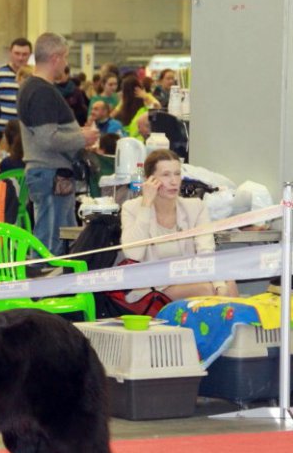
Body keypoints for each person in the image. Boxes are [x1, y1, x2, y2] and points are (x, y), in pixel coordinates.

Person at [17, 32, 98, 255]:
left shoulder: (33, 87)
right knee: (50, 243)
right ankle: (44, 278)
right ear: (56, 57)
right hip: (50, 174)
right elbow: (47, 138)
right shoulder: (41, 91)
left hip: (50, 174)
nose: (66, 63)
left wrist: (75, 133)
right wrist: (82, 138)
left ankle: (52, 277)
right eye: (65, 57)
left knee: (58, 238)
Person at [121, 149, 238, 301]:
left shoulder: (196, 207)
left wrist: (220, 286)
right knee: (207, 289)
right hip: (151, 288)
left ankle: (232, 316)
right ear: (149, 180)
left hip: (188, 279)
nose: (174, 181)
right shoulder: (131, 208)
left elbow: (206, 252)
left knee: (229, 283)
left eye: (177, 174)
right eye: (166, 175)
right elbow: (133, 254)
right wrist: (146, 204)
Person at [0, 37, 32, 138]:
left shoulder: (34, 78)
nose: (20, 58)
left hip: (24, 133)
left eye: (24, 54)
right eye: (17, 53)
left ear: (30, 55)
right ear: (10, 53)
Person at [112, 74, 160, 139]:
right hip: (144, 139)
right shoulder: (147, 101)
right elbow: (157, 108)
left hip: (128, 139)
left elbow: (111, 117)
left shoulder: (123, 103)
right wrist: (146, 96)